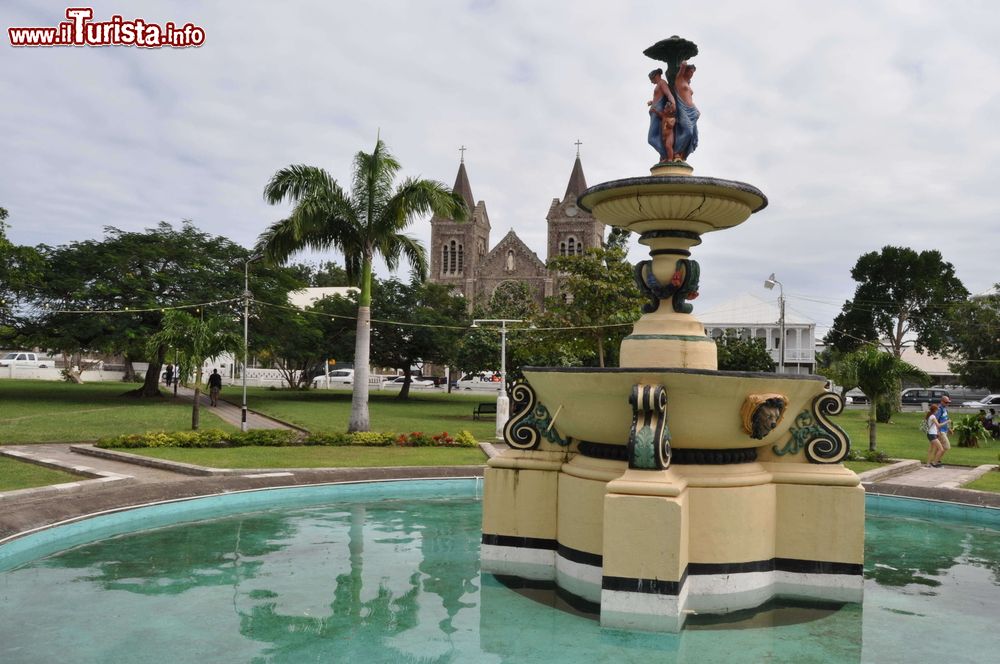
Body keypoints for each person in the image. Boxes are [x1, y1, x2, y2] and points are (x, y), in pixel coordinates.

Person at [646, 68, 676, 162]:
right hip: (655, 113)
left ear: (655, 76)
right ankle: (664, 155)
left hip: (657, 113)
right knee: (657, 136)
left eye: (652, 80)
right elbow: (660, 96)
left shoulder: (662, 83)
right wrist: (652, 101)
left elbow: (668, 94)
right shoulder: (659, 84)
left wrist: (673, 103)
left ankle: (664, 155)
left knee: (651, 138)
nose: (651, 82)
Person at [672, 61, 700, 160]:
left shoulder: (687, 84)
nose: (692, 74)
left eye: (693, 72)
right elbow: (683, 65)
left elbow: (689, 98)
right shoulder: (679, 79)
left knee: (694, 136)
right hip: (683, 109)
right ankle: (675, 153)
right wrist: (683, 61)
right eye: (690, 71)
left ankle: (683, 156)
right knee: (688, 131)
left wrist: (696, 110)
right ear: (686, 71)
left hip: (692, 112)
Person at [924, 403, 944, 468]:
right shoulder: (933, 416)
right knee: (941, 449)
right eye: (937, 410)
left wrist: (937, 432)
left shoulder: (930, 415)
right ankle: (934, 463)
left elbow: (934, 426)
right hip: (932, 435)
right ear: (934, 410)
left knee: (931, 449)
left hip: (930, 434)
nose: (937, 411)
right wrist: (947, 421)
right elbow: (938, 425)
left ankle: (928, 464)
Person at [935, 395, 952, 466]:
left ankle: (936, 460)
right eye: (946, 402)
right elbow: (935, 421)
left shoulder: (945, 409)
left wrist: (949, 429)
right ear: (941, 401)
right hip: (941, 431)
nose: (947, 404)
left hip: (945, 430)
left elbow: (946, 420)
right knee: (946, 446)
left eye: (948, 402)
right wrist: (937, 431)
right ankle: (936, 461)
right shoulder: (939, 409)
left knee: (939, 447)